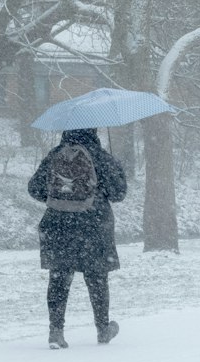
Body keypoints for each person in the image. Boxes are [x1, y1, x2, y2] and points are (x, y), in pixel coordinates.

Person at [28, 127, 128, 349]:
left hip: (57, 225)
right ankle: (103, 329)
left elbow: (34, 189)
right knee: (97, 278)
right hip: (93, 226)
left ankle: (56, 331)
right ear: (93, 131)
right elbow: (119, 193)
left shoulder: (55, 155)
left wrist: (59, 199)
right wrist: (115, 169)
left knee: (59, 278)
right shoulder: (101, 157)